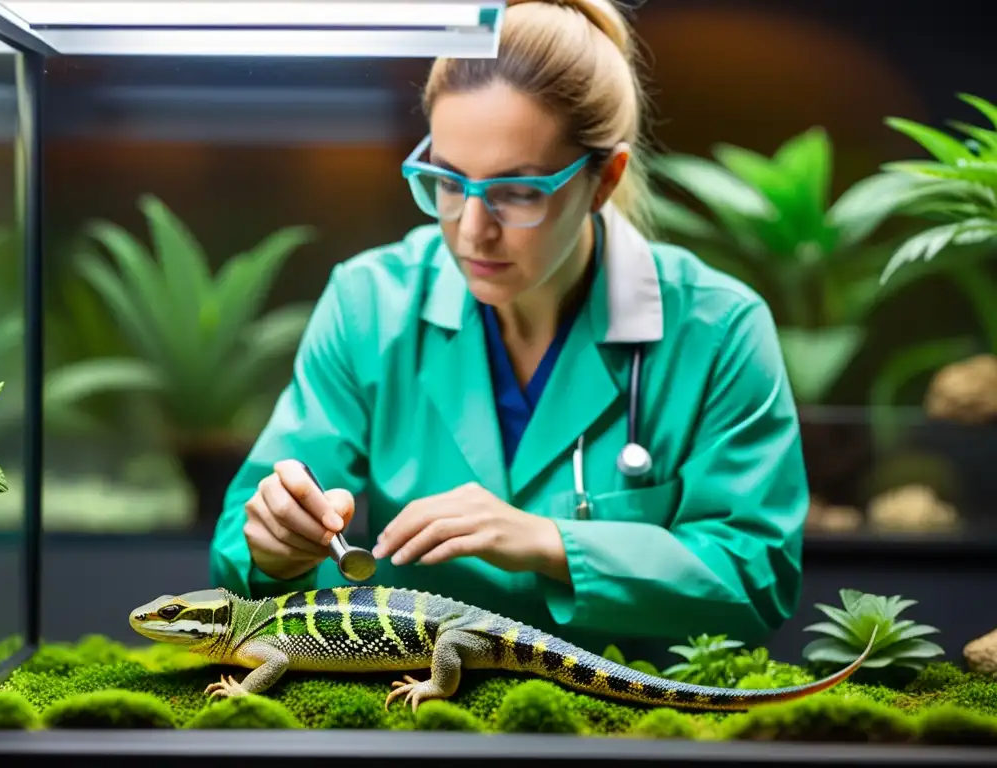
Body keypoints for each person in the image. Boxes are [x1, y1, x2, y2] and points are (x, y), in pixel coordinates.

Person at [210, 0, 809, 650]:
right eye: (446, 180)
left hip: (632, 728)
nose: (471, 231)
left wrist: (550, 543)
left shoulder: (718, 331)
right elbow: (238, 560)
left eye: (518, 192)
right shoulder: (367, 306)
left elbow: (753, 582)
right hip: (413, 713)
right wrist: (272, 547)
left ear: (605, 179)